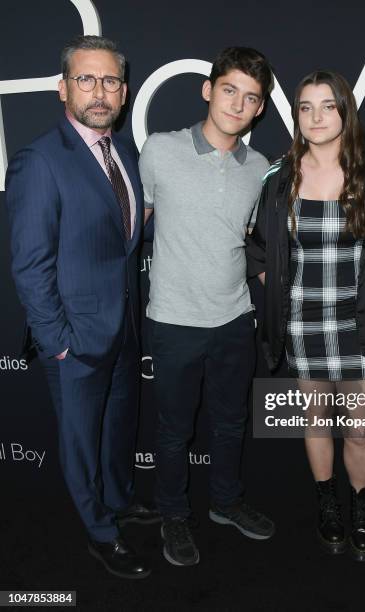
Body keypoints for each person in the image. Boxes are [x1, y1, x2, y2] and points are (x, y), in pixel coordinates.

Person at [6, 35, 159, 579]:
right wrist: (60, 342)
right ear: (62, 87)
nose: (99, 91)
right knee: (79, 440)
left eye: (110, 81)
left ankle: (118, 500)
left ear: (124, 90)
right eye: (86, 79)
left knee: (119, 429)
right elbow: (29, 265)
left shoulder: (125, 154)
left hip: (123, 331)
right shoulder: (38, 162)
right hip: (74, 340)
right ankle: (99, 531)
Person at [139, 46, 276, 567]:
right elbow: (137, 222)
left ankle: (226, 501)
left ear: (260, 108)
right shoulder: (159, 149)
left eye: (251, 97)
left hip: (235, 318)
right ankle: (174, 515)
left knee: (230, 421)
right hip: (174, 319)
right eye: (229, 90)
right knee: (174, 431)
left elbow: (249, 241)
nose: (238, 104)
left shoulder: (259, 167)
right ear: (208, 89)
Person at [247, 71, 365, 560]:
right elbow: (260, 250)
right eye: (305, 107)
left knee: (357, 428)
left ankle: (362, 505)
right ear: (295, 116)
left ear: (345, 111)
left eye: (327, 106)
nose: (316, 117)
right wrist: (280, 293)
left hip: (359, 322)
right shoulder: (281, 174)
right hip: (303, 324)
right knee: (315, 422)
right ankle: (327, 504)